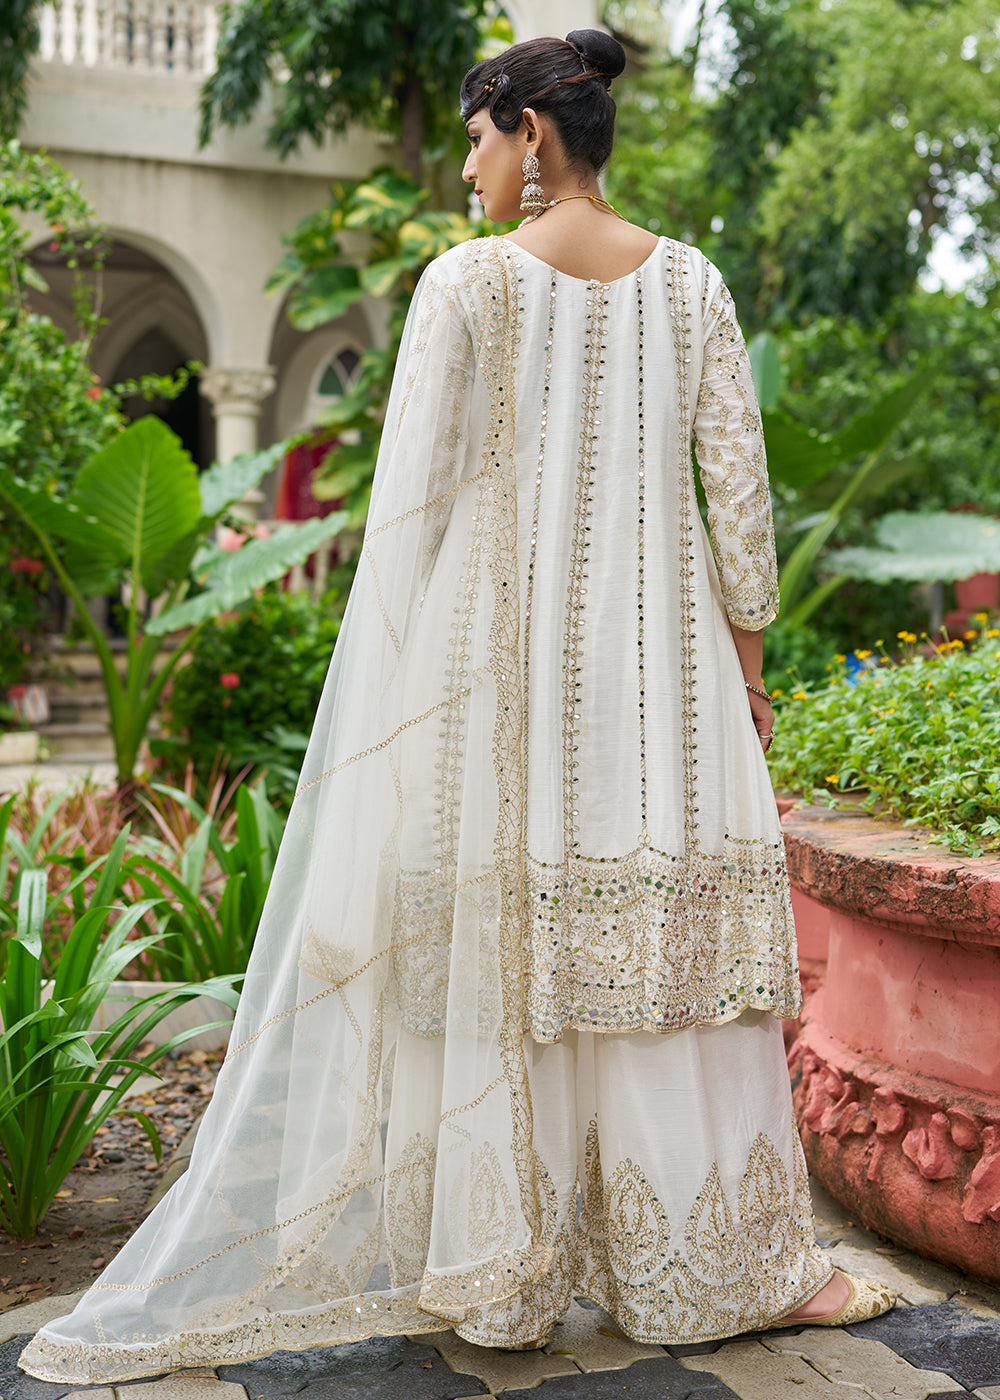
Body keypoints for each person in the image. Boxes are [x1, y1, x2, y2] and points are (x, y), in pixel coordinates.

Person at [21, 29, 894, 1386]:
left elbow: (410, 513)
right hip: (666, 689)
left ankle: (504, 1274)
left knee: (518, 955)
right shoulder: (693, 284)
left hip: (503, 686)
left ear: (533, 133)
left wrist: (396, 685)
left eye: (480, 140)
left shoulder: (465, 285)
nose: (469, 169)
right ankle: (699, 1266)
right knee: (658, 963)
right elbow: (741, 500)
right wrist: (749, 670)